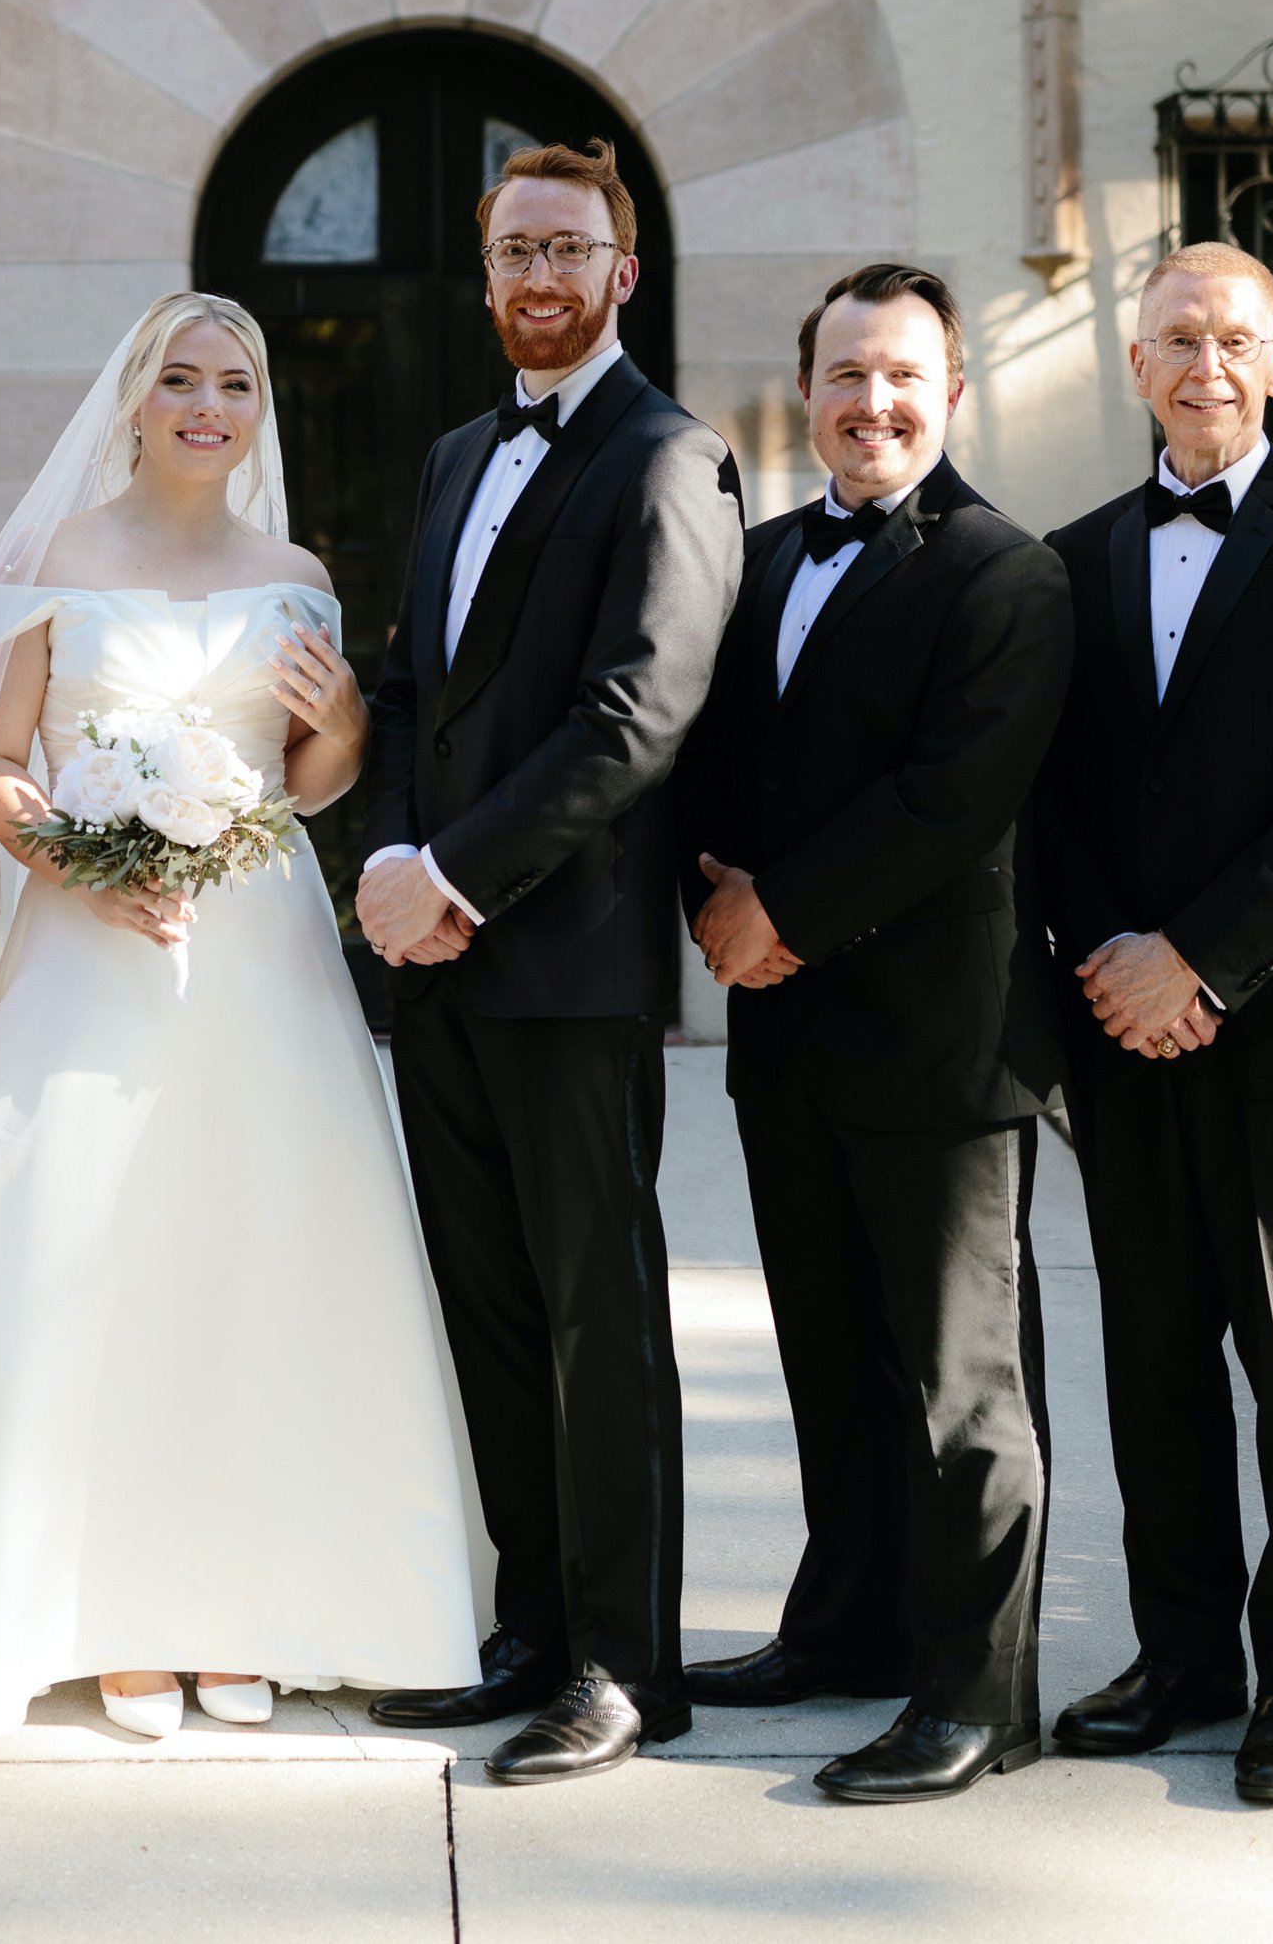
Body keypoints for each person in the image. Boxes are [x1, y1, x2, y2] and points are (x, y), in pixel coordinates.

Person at [0, 293, 480, 1745]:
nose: (205, 404)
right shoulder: (56, 561)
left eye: (232, 382)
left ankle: (247, 1596)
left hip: (259, 947)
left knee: (257, 1253)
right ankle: (113, 1609)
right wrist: (94, 868)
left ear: (259, 407)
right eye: (177, 378)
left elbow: (313, 780)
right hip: (93, 939)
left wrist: (349, 719)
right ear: (131, 399)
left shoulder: (298, 574)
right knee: (91, 1246)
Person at [352, 138, 743, 1784]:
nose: (539, 277)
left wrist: (455, 871)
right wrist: (376, 859)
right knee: (492, 1311)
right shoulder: (454, 455)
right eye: (515, 248)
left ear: (622, 271)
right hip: (434, 963)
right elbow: (400, 687)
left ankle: (624, 1658)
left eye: (569, 250)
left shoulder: (673, 457)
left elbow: (637, 714)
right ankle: (527, 1624)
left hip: (569, 962)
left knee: (599, 1317)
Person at [1028, 242, 1273, 1806]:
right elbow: (1046, 798)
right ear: (1137, 367)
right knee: (1156, 1363)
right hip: (1121, 1032)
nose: (1204, 362)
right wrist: (1111, 962)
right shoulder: (1067, 558)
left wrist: (1195, 958)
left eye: (1234, 338)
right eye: (1176, 337)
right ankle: (1181, 1650)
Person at [671, 264, 1072, 1804]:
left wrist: (780, 909)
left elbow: (953, 801)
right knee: (831, 1358)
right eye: (845, 374)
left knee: (963, 1387)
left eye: (903, 374)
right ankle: (844, 1626)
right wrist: (712, 904)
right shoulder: (758, 559)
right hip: (784, 1035)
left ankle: (982, 1691)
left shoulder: (1006, 573)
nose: (873, 401)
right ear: (810, 390)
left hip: (944, 1044)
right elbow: (704, 752)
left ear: (952, 391)